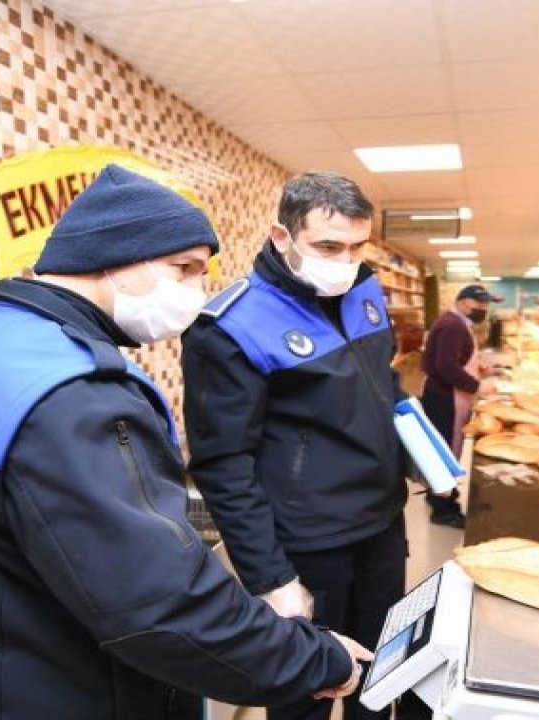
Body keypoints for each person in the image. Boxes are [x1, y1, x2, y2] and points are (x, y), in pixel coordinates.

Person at [0, 165, 371, 720]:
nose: (196, 291)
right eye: (184, 269)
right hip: (67, 692)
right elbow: (161, 605)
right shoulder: (75, 393)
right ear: (116, 256)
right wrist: (316, 659)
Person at [182, 171, 419, 720]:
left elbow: (379, 382)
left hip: (382, 522)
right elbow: (222, 465)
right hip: (309, 543)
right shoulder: (230, 327)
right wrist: (272, 579)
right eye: (328, 246)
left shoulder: (365, 288)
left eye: (359, 246)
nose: (346, 260)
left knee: (383, 671)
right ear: (282, 235)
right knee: (306, 693)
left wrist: (417, 446)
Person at [418, 284, 500, 527]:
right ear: (463, 301)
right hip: (446, 398)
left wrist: (481, 368)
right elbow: (446, 367)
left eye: (486, 304)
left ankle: (440, 496)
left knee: (444, 450)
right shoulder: (453, 326)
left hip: (448, 396)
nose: (483, 308)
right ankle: (443, 511)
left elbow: (456, 358)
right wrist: (477, 386)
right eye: (479, 303)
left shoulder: (457, 323)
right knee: (445, 452)